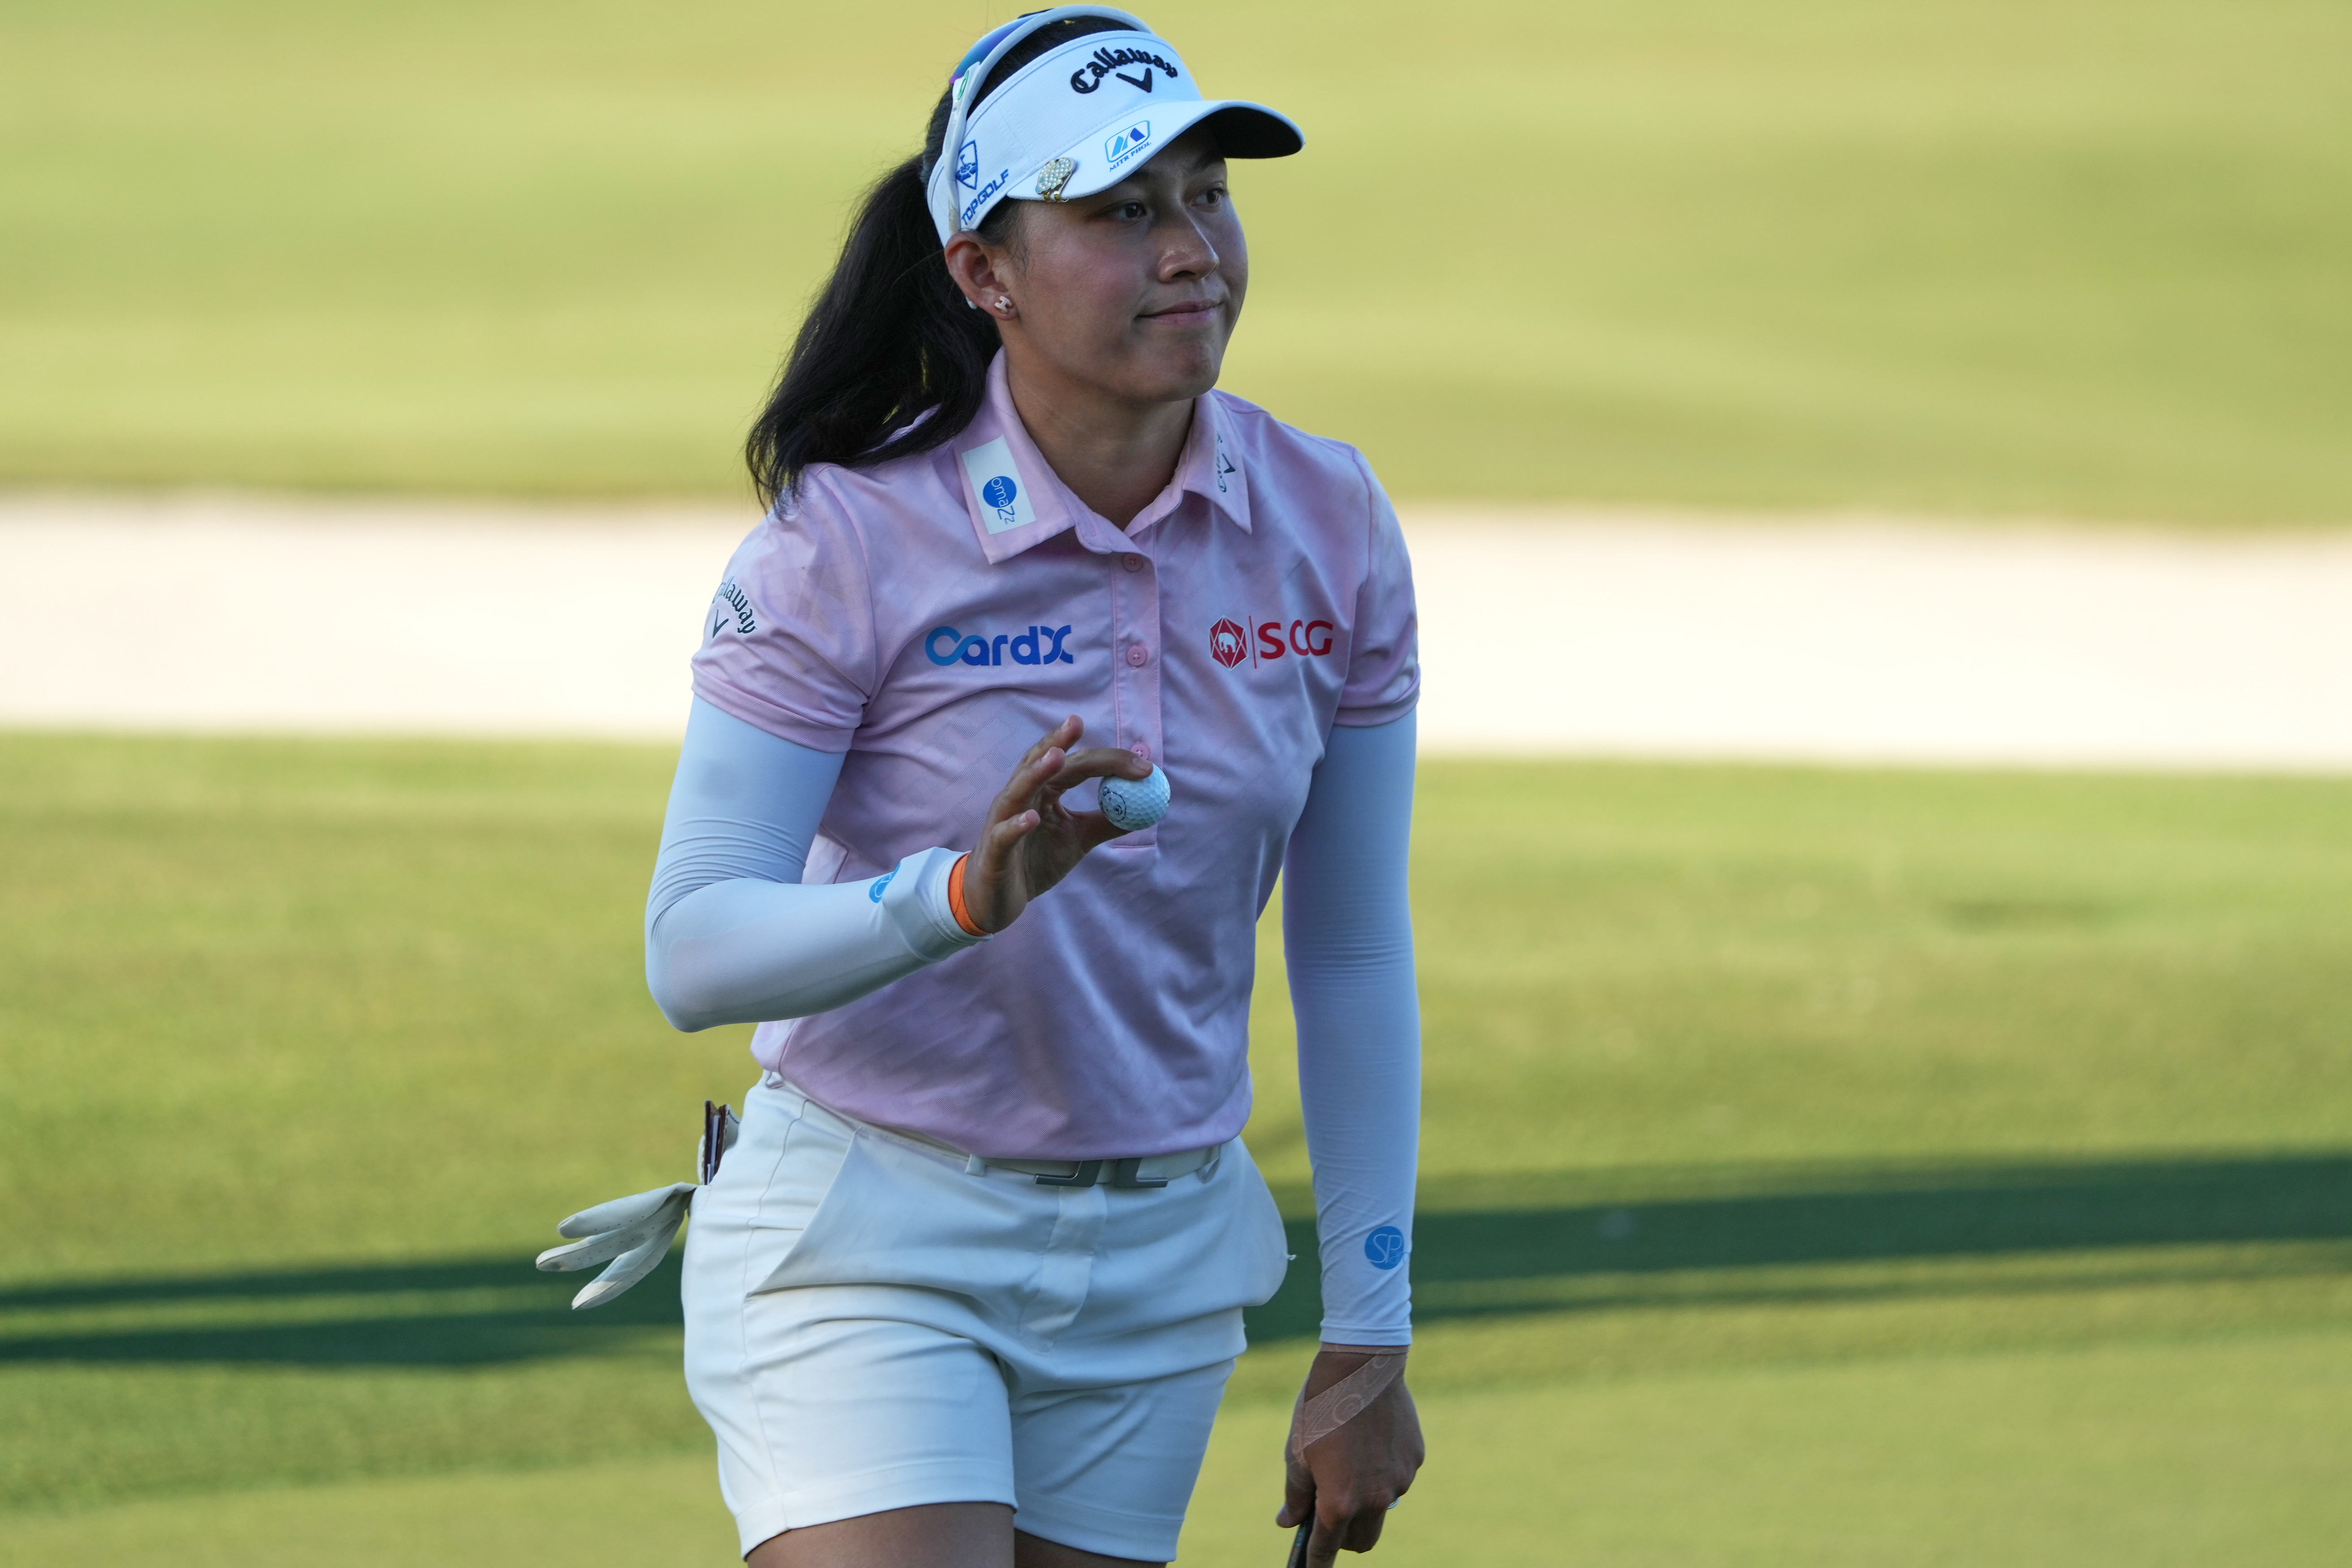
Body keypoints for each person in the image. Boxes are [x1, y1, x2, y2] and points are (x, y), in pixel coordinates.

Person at [641, 10, 1423, 1565]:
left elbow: (1345, 948)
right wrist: (953, 899)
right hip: (870, 1232)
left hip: (1158, 1267)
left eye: (1207, 194)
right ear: (981, 270)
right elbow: (694, 949)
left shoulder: (1328, 516)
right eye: (1121, 211)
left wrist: (1368, 1331)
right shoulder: (846, 543)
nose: (1190, 248)